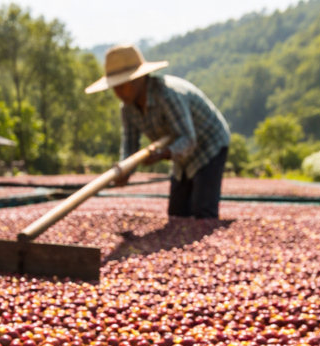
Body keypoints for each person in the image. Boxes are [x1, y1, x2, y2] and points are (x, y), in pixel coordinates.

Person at [86, 43, 231, 219]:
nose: (118, 92)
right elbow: (129, 145)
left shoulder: (168, 95)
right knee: (177, 213)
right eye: (114, 87)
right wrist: (125, 170)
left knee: (203, 211)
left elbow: (188, 139)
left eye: (122, 85)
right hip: (179, 153)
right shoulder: (127, 108)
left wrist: (163, 154)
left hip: (209, 145)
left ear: (139, 79)